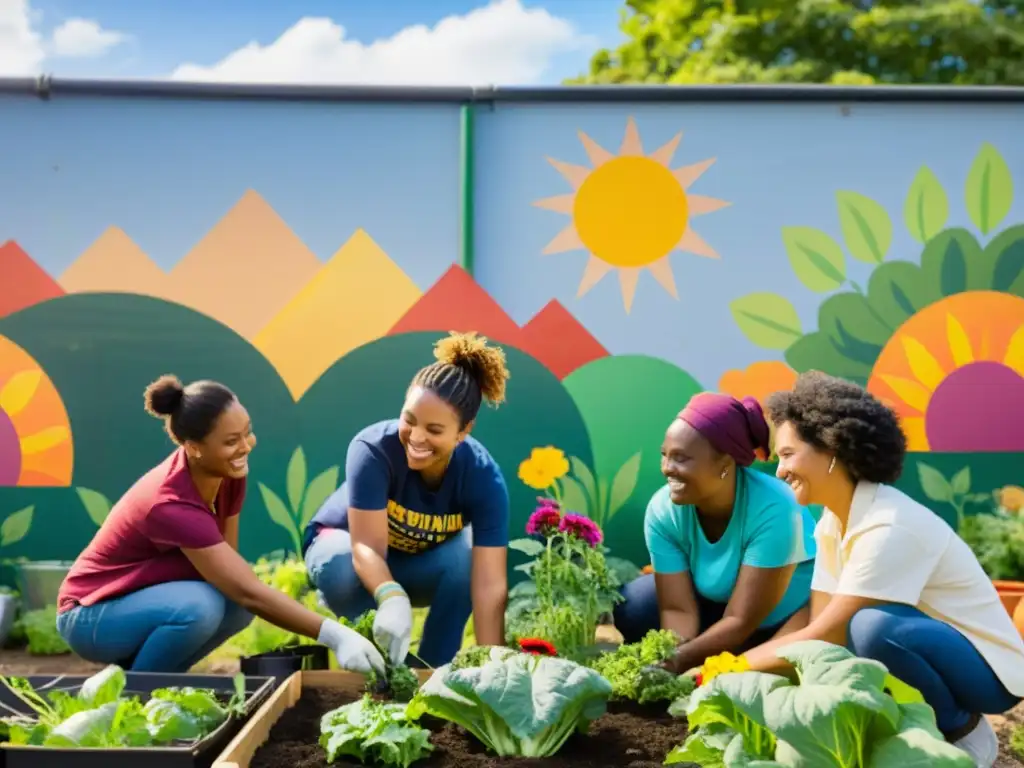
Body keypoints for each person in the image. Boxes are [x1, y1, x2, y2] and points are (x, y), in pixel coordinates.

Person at [741, 371, 1024, 767]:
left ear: (832, 448)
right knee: (852, 643)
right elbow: (818, 631)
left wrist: (729, 667)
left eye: (787, 454)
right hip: (938, 656)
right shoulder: (831, 524)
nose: (779, 470)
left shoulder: (889, 523)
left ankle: (962, 734)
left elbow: (831, 632)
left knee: (870, 628)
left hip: (987, 675)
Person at [56, 375, 385, 676]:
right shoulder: (171, 504)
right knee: (201, 607)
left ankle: (149, 681)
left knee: (234, 608)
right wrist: (336, 635)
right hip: (90, 616)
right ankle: (135, 692)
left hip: (140, 605)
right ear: (194, 447)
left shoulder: (226, 474)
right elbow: (247, 590)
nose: (245, 446)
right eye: (231, 441)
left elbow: (232, 572)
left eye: (247, 432)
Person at [303, 331, 512, 669]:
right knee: (339, 563)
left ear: (463, 431)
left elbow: (490, 586)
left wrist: (496, 667)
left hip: (417, 562)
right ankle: (376, 662)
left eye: (434, 430)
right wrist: (392, 597)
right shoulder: (372, 450)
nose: (416, 437)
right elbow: (366, 548)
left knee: (467, 557)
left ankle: (432, 670)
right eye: (409, 420)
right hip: (349, 552)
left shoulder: (482, 477)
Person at [613, 391, 817, 674]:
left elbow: (741, 619)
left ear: (724, 465)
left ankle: (742, 657)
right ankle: (713, 650)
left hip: (777, 623)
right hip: (717, 610)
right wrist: (671, 653)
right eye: (665, 456)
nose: (668, 469)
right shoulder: (663, 509)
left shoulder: (776, 508)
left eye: (681, 459)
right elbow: (677, 610)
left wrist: (682, 660)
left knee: (773, 662)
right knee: (636, 604)